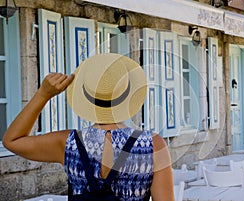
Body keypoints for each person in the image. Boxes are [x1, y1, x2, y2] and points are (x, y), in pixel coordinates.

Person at [3, 53, 174, 201]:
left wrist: (43, 94)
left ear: (86, 96)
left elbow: (12, 140)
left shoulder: (67, 143)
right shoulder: (153, 144)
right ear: (128, 96)